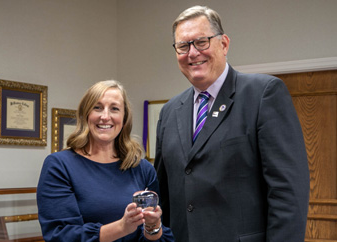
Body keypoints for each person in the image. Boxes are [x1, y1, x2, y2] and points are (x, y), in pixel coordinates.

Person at [154, 5, 310, 242]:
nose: (192, 53)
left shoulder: (263, 95)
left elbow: (288, 193)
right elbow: (164, 194)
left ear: (224, 44)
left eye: (201, 42)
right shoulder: (169, 112)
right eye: (183, 46)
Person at [37, 80, 174, 242]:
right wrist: (122, 227)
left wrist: (153, 225)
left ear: (124, 119)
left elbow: (159, 236)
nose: (105, 116)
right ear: (86, 114)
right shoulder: (59, 165)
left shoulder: (142, 168)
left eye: (115, 109)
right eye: (97, 107)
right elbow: (60, 236)